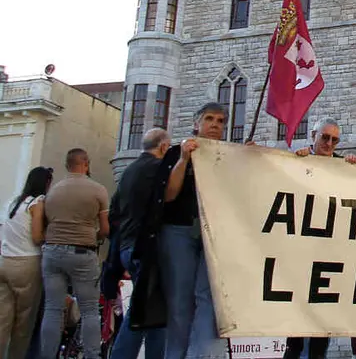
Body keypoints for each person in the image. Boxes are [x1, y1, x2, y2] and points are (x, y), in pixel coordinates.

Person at [158, 103, 231, 359]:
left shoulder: (228, 154)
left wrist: (249, 159)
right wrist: (184, 160)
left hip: (213, 235)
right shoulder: (177, 152)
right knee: (180, 302)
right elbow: (169, 194)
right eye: (209, 119)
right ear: (196, 123)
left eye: (221, 121)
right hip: (179, 231)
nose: (215, 125)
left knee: (209, 299)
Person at [288, 117, 356, 359]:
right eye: (325, 137)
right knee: (296, 325)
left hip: (329, 254)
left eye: (335, 140)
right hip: (301, 250)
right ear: (313, 136)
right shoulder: (298, 161)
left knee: (321, 323)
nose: (329, 143)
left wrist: (355, 168)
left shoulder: (343, 166)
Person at [39, 148, 110, 359]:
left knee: (52, 308)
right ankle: (91, 355)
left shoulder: (53, 191)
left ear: (66, 165)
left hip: (52, 251)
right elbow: (106, 229)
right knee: (89, 310)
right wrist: (95, 236)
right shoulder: (97, 190)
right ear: (86, 164)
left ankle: (47, 355)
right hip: (82, 251)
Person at [111, 128, 172, 359]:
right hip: (144, 247)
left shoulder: (128, 171)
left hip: (128, 245)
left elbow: (114, 211)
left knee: (153, 311)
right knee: (141, 312)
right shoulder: (156, 169)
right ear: (164, 147)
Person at [0, 165, 52, 359]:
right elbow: (37, 236)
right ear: (45, 183)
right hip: (26, 263)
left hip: (5, 261)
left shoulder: (12, 202)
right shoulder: (37, 202)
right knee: (24, 322)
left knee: (2, 320)